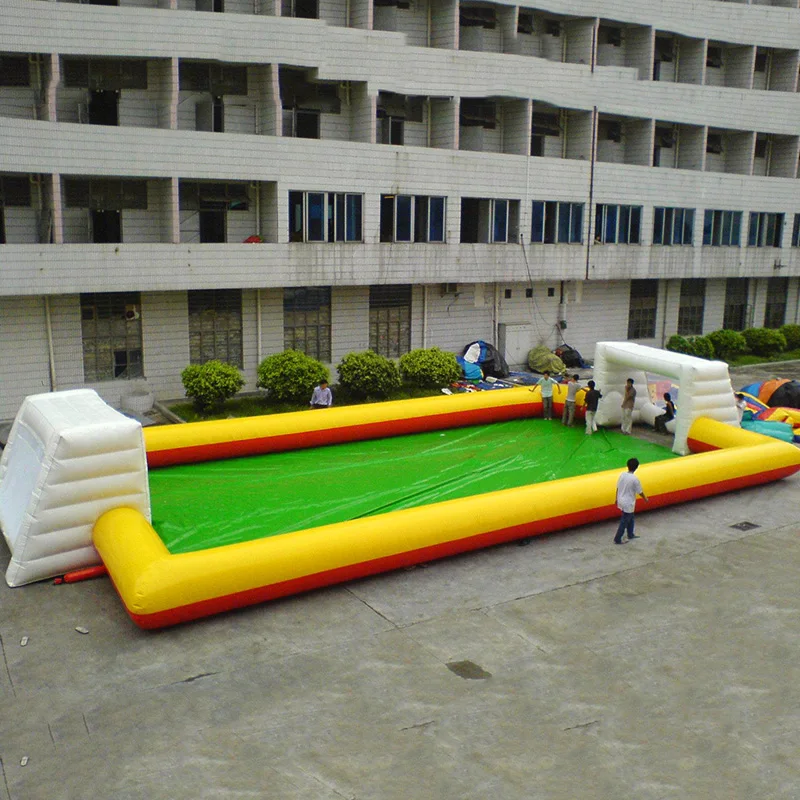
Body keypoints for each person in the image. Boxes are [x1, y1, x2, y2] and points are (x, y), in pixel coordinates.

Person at [614, 457, 649, 544]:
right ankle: (618, 538)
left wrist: (616, 498)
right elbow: (640, 491)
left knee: (631, 517)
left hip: (621, 499)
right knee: (625, 520)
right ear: (637, 467)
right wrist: (645, 498)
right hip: (628, 502)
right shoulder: (634, 479)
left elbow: (618, 487)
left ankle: (630, 534)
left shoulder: (622, 475)